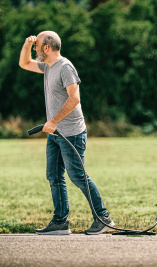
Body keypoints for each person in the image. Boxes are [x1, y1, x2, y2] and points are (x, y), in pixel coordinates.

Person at [19, 31, 115, 235]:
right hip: (55, 133)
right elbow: (24, 63)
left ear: (47, 47)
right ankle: (60, 222)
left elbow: (74, 98)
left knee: (78, 176)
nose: (35, 47)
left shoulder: (65, 67)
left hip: (71, 132)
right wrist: (27, 45)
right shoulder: (47, 67)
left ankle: (103, 217)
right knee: (54, 176)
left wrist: (53, 120)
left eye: (37, 44)